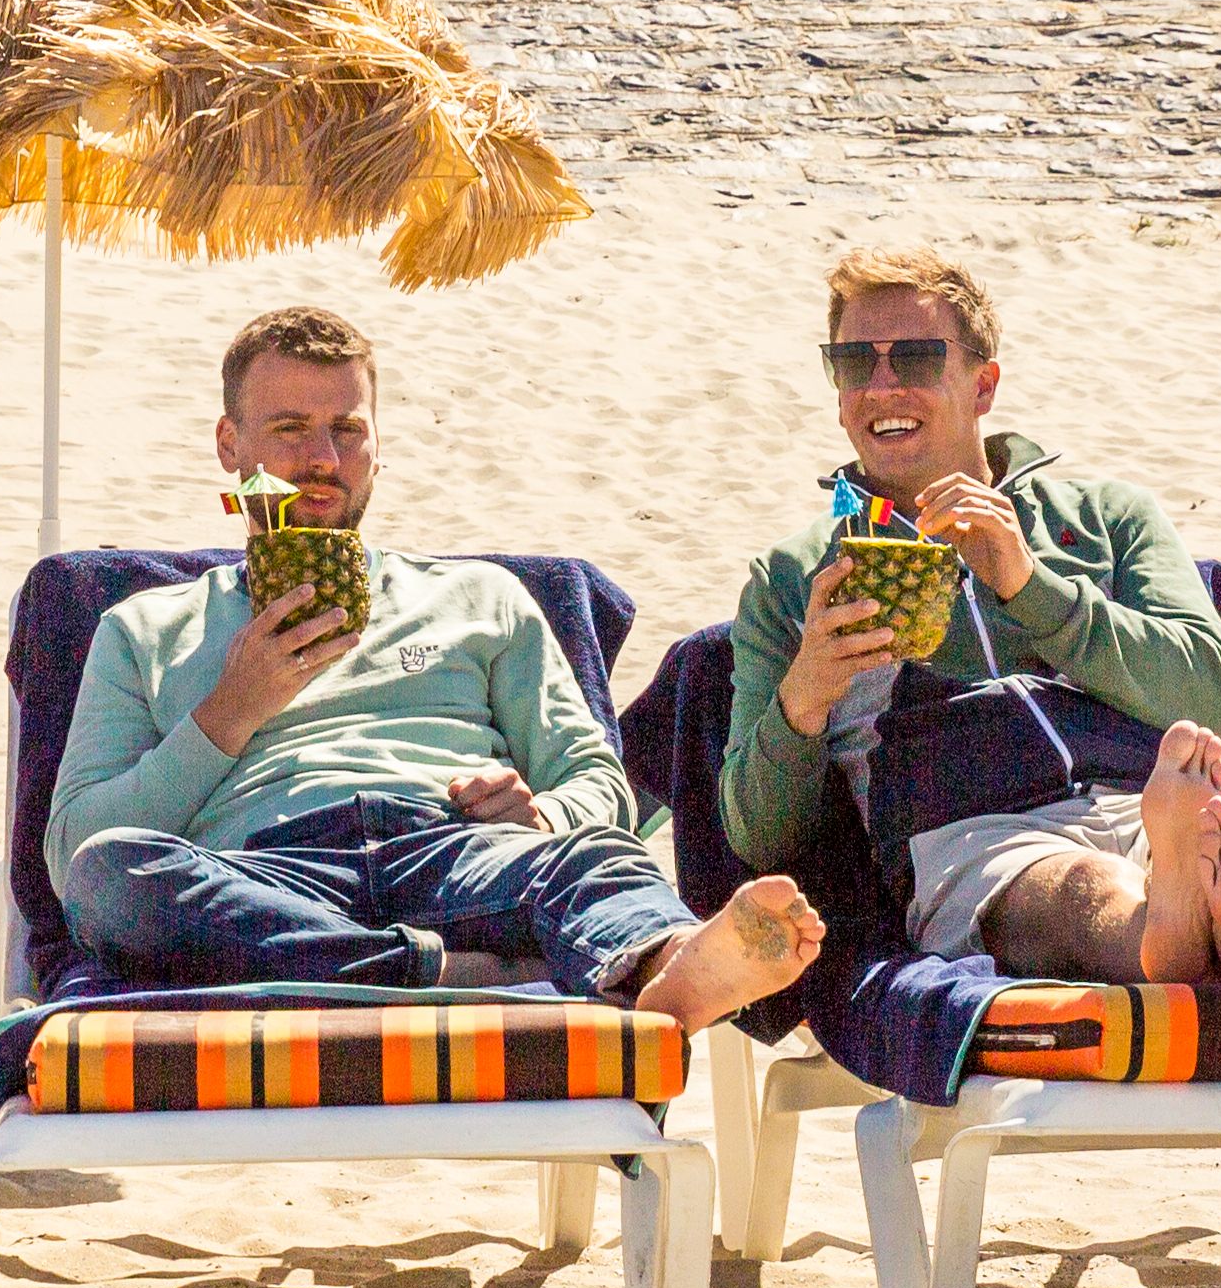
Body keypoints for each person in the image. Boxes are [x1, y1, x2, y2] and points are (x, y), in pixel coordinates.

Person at [49, 307, 819, 1026]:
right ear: (230, 446)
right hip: (265, 871)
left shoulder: (480, 598)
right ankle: (429, 972)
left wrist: (543, 815)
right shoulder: (147, 627)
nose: (322, 460)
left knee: (595, 857)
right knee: (113, 877)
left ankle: (669, 960)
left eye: (346, 430)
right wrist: (228, 713)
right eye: (289, 429)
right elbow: (75, 850)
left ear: (378, 445)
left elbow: (598, 782)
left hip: (457, 852)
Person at [718, 245, 1221, 989]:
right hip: (979, 828)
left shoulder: (1106, 516)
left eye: (915, 358)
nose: (881, 387)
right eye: (853, 364)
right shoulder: (796, 575)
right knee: (1076, 890)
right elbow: (754, 833)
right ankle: (1186, 928)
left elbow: (1211, 698)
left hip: (1153, 784)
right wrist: (804, 696)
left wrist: (1029, 586)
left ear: (983, 384)